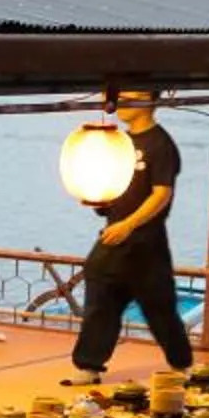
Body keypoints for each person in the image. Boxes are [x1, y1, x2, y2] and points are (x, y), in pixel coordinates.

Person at [69, 92, 193, 384]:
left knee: (159, 304)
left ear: (148, 99)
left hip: (146, 241)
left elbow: (161, 194)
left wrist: (129, 224)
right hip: (114, 234)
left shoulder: (161, 144)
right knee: (100, 288)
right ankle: (89, 364)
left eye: (129, 96)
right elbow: (109, 182)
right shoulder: (119, 142)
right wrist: (99, 199)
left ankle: (181, 364)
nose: (121, 103)